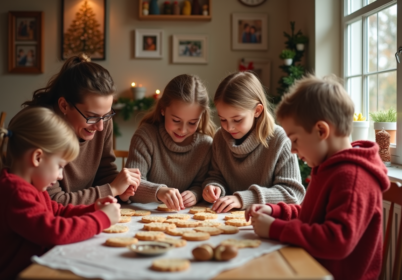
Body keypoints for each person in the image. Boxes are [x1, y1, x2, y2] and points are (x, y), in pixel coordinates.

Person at [246, 74, 390, 280]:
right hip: (311, 268)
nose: (293, 150)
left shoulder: (353, 177)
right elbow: (311, 216)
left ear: (321, 131)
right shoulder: (328, 166)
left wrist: (276, 229)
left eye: (295, 140)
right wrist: (275, 211)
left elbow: (337, 240)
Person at [0, 107, 121, 280]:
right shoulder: (15, 192)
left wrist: (93, 208)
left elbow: (57, 212)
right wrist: (102, 218)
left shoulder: (30, 187)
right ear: (37, 157)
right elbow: (53, 232)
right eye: (60, 166)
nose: (60, 175)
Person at [21, 53, 141, 206]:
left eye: (106, 116)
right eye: (92, 116)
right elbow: (54, 203)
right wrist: (112, 189)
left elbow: (104, 172)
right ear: (64, 105)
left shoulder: (102, 121)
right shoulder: (39, 127)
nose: (100, 127)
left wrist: (120, 190)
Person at [202, 71, 305, 213]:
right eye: (223, 119)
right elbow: (216, 176)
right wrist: (214, 187)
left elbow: (293, 194)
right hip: (225, 220)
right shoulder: (220, 137)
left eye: (237, 120)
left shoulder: (280, 139)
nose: (229, 127)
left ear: (257, 111)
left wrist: (243, 199)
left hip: (266, 221)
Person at [124, 74, 216, 210]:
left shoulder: (205, 145)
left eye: (192, 122)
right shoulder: (145, 136)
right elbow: (130, 187)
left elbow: (201, 183)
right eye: (176, 120)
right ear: (163, 109)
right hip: (148, 213)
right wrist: (159, 192)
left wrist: (195, 194)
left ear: (201, 117)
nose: (183, 130)